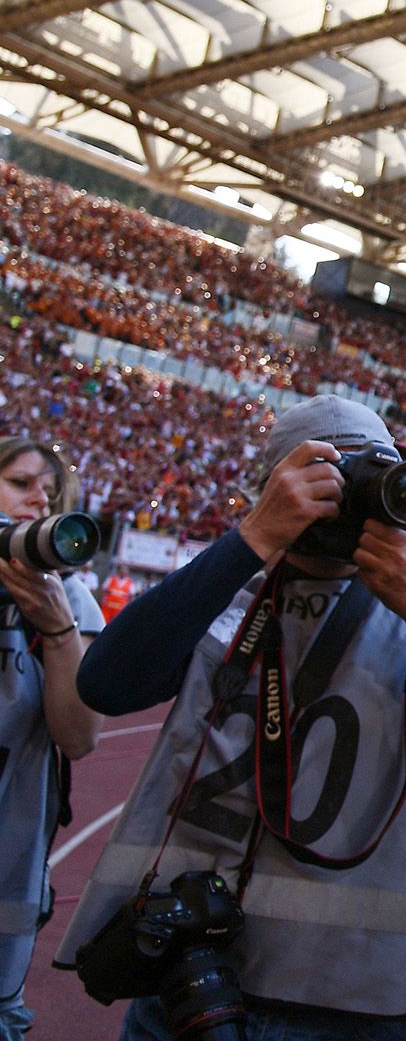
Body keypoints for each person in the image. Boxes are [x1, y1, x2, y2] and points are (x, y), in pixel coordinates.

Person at [54, 395, 406, 1040]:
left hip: (361, 993)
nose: (350, 497)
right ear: (275, 486)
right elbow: (106, 683)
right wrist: (255, 538)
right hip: (195, 974)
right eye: (329, 473)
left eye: (370, 475)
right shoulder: (225, 591)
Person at [0, 437, 104, 1041]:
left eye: (48, 491)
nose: (40, 499)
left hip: (8, 873)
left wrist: (57, 628)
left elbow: (80, 736)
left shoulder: (71, 598)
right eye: (21, 482)